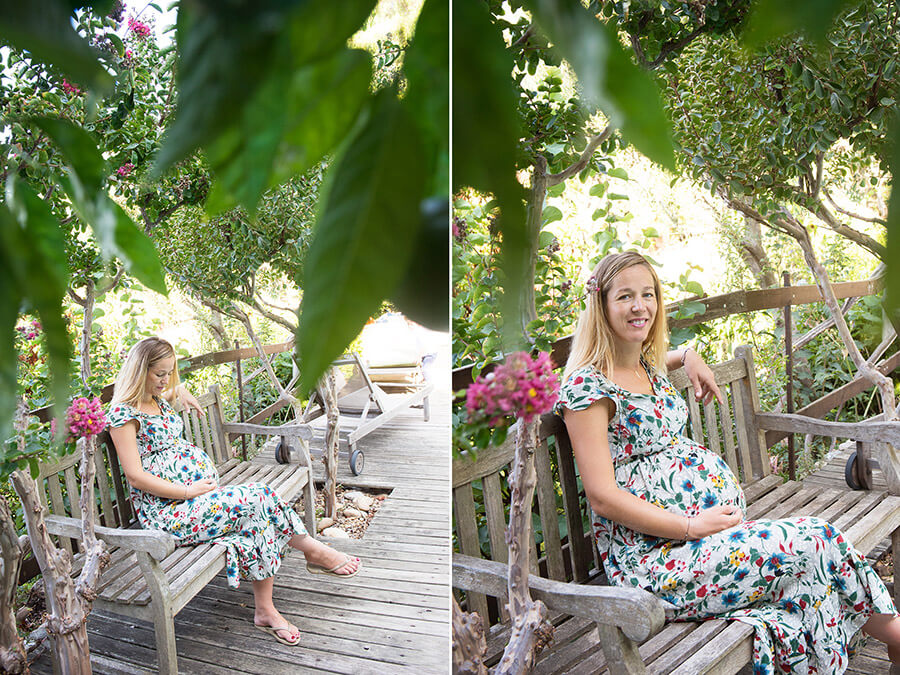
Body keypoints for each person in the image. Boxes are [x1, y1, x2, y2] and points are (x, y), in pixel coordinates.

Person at [557, 251, 900, 674]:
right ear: (601, 305)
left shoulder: (643, 362)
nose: (640, 306)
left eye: (648, 294)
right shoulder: (586, 389)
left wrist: (688, 354)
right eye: (625, 296)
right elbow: (603, 497)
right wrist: (690, 526)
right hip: (655, 562)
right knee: (811, 541)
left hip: (702, 542)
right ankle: (896, 638)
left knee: (812, 562)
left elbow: (659, 362)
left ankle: (891, 642)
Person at [108, 337, 360, 647]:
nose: (165, 380)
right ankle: (311, 550)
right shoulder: (123, 414)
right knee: (256, 500)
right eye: (160, 373)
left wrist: (178, 388)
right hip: (167, 514)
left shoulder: (156, 397)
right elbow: (135, 476)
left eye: (169, 372)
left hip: (194, 499)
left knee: (257, 508)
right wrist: (187, 491)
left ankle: (267, 608)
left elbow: (170, 389)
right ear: (139, 370)